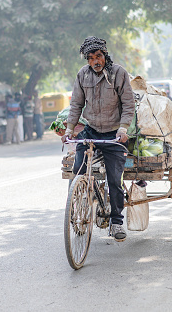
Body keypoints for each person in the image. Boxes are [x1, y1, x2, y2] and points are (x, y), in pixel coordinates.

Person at [61, 36, 135, 242]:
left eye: (99, 56)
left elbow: (129, 105)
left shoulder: (118, 73)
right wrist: (69, 129)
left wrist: (123, 129)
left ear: (105, 55)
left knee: (114, 179)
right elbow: (76, 104)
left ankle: (117, 221)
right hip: (91, 130)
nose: (95, 61)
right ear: (87, 60)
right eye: (91, 58)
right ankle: (79, 207)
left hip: (114, 134)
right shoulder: (82, 75)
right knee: (77, 170)